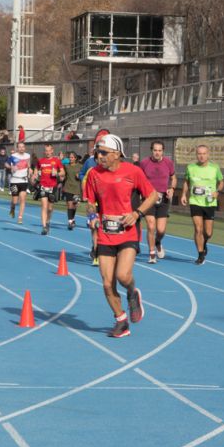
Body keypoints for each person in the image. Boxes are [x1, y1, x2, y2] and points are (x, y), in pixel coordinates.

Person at [83, 134, 158, 338]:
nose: (99, 156)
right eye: (98, 153)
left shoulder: (133, 171)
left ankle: (132, 293)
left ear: (117, 154)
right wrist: (91, 215)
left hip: (127, 232)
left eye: (104, 153)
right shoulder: (93, 174)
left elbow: (153, 195)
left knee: (123, 276)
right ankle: (121, 320)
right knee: (107, 283)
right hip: (105, 233)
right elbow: (90, 201)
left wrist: (137, 213)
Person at [179, 144, 224, 265]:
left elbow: (221, 182)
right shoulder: (190, 167)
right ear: (196, 155)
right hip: (195, 202)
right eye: (199, 153)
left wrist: (217, 191)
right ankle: (200, 255)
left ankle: (204, 243)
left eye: (204, 153)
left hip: (209, 202)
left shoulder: (215, 168)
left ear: (208, 155)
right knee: (198, 229)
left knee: (208, 233)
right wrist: (184, 194)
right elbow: (186, 182)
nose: (201, 156)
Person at [139, 140, 177, 264]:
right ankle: (151, 253)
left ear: (163, 151)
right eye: (155, 150)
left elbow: (173, 177)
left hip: (163, 199)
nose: (157, 153)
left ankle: (158, 242)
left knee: (160, 230)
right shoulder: (144, 163)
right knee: (151, 226)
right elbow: (138, 178)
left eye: (160, 150)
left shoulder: (168, 163)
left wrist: (172, 188)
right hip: (149, 198)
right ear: (151, 150)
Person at [34, 144, 63, 235]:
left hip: (52, 186)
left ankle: (48, 222)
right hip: (43, 186)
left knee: (50, 208)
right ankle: (44, 227)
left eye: (49, 150)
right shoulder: (41, 161)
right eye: (46, 151)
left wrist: (57, 173)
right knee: (44, 206)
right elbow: (36, 168)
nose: (47, 152)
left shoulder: (56, 161)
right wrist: (35, 175)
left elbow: (63, 172)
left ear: (52, 151)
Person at [7, 141, 33, 224]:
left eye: (23, 147)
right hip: (14, 180)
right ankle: (12, 207)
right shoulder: (13, 156)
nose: (21, 148)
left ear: (24, 148)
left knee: (23, 199)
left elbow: (28, 165)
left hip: (23, 180)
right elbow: (6, 164)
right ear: (17, 148)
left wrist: (30, 169)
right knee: (15, 201)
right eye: (20, 147)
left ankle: (20, 217)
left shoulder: (27, 156)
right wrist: (11, 167)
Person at [61, 151, 82, 230]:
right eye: (70, 157)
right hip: (68, 187)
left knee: (74, 205)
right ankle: (70, 221)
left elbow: (83, 175)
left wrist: (79, 175)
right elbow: (63, 174)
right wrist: (61, 178)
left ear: (75, 158)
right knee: (70, 205)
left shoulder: (80, 166)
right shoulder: (66, 166)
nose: (71, 159)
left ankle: (72, 219)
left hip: (76, 188)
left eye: (72, 157)